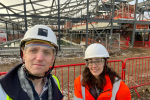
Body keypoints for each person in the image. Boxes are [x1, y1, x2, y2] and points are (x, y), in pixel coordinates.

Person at [0, 25, 63, 100]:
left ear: (52, 58)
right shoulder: (2, 90)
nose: (39, 58)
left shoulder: (55, 82)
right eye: (33, 50)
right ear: (24, 55)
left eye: (47, 52)